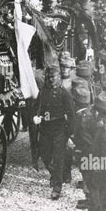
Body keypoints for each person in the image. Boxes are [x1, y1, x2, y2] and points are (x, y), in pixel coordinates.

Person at [33, 64, 75, 200]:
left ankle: (57, 188)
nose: (51, 80)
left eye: (53, 77)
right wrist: (36, 117)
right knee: (45, 155)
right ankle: (56, 174)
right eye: (49, 77)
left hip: (59, 129)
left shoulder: (64, 93)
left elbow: (72, 115)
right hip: (45, 128)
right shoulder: (43, 91)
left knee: (58, 158)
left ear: (59, 77)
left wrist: (68, 133)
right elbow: (37, 106)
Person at [76, 91, 106, 211]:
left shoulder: (105, 128)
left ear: (99, 112)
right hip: (97, 162)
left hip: (101, 166)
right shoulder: (102, 125)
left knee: (95, 188)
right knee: (92, 186)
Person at [71, 86, 94, 211]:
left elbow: (86, 140)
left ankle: (89, 200)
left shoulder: (82, 118)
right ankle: (88, 197)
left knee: (87, 175)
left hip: (86, 153)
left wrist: (78, 149)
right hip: (87, 152)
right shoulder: (86, 114)